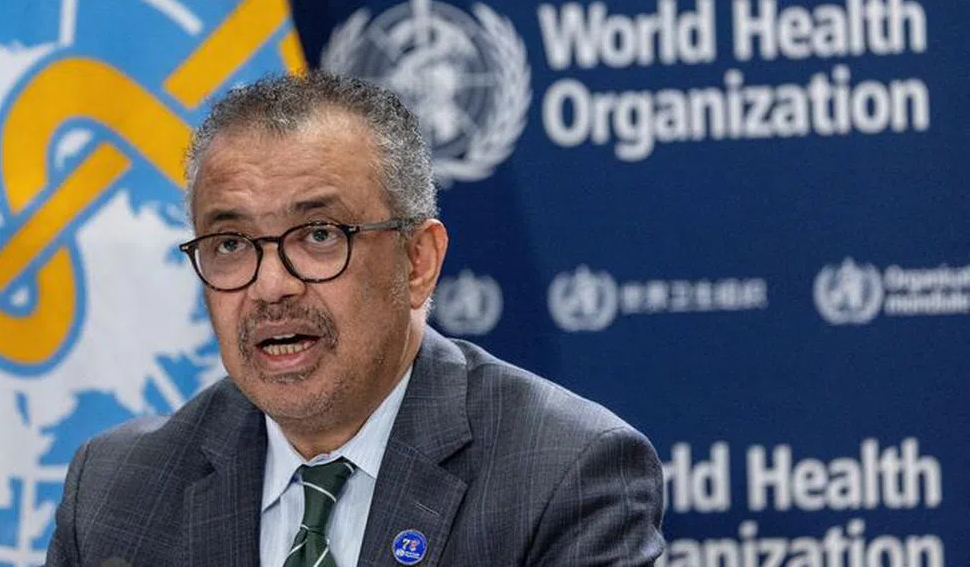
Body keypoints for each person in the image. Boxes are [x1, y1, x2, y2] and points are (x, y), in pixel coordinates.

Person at [44, 73, 664, 567]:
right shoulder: (116, 491)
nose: (271, 286)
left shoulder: (561, 475)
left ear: (417, 262)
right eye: (230, 243)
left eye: (318, 234)